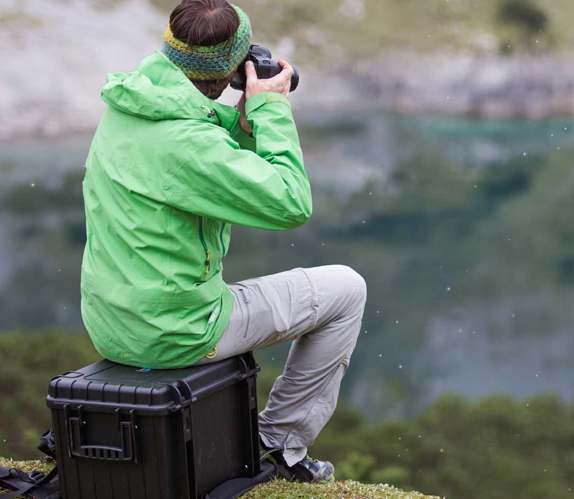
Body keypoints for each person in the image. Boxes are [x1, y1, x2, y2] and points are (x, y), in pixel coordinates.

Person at [79, 0, 366, 483]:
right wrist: (271, 108)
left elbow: (195, 151)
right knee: (346, 289)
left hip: (112, 323)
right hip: (176, 330)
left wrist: (240, 120)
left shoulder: (133, 104)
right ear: (230, 69)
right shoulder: (188, 144)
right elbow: (290, 203)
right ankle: (278, 444)